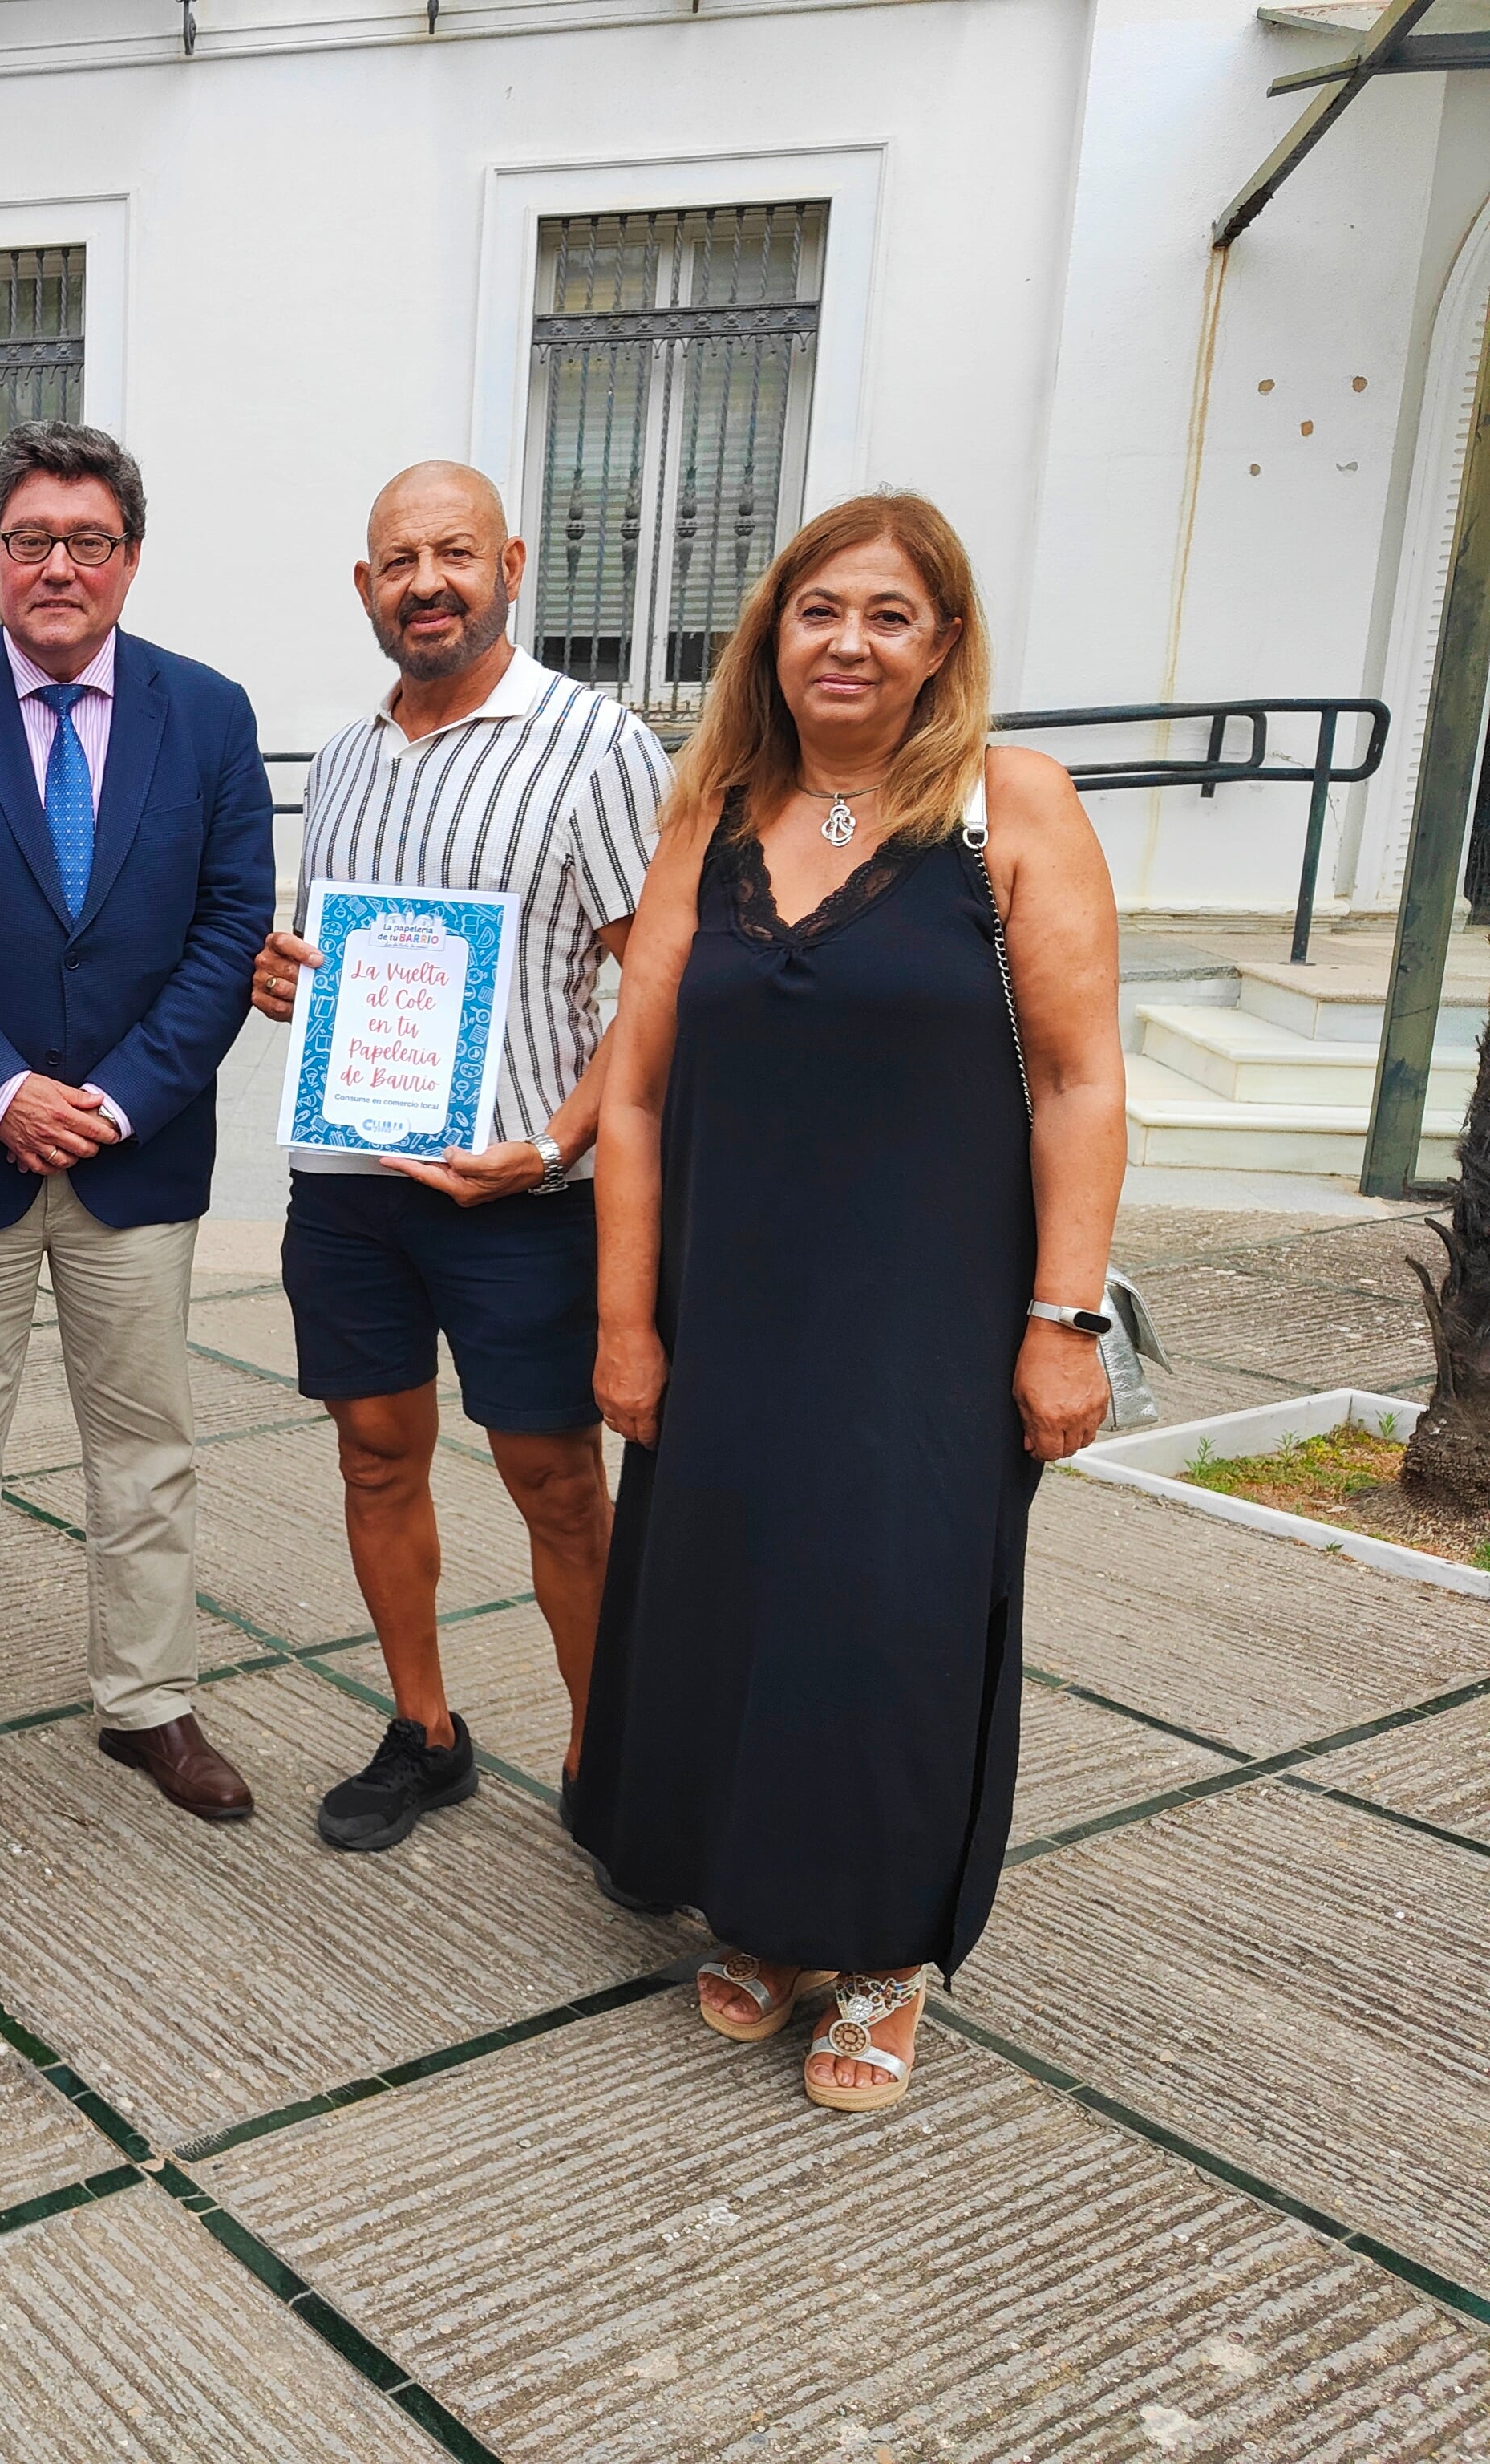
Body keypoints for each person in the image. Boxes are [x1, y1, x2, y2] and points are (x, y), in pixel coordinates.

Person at [571, 490, 1124, 2113]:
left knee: (889, 1624)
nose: (847, 641)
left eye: (887, 613)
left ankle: (880, 1956)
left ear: (939, 641)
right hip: (728, 1309)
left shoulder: (1006, 809)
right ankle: (759, 1913)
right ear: (772, 630)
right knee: (733, 1606)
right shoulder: (712, 814)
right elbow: (636, 1099)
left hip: (926, 1326)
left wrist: (1061, 1317)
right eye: (819, 609)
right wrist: (623, 1322)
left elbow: (1081, 1084)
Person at [0, 420, 275, 1835]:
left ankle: (149, 1700)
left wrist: (117, 1096)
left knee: (142, 1443)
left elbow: (229, 927)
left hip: (133, 1152)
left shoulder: (208, 714)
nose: (57, 566)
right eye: (29, 540)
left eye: (87, 542)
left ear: (130, 562)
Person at [249, 463, 667, 1866]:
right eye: (396, 561)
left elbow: (652, 992)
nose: (425, 581)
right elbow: (353, 959)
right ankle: (424, 1730)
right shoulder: (349, 752)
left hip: (523, 1194)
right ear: (364, 586)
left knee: (554, 1478)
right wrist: (285, 975)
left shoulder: (597, 745)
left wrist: (553, 1143)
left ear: (511, 564)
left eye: (454, 554)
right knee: (375, 1456)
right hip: (353, 1187)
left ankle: (607, 1759)